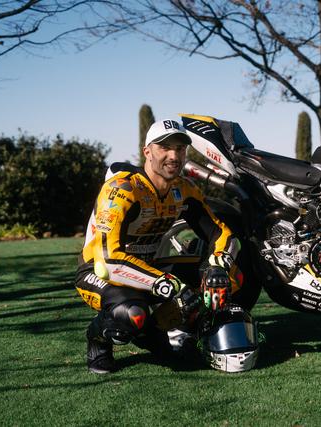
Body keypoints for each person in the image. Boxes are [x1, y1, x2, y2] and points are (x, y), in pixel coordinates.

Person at [75, 119, 239, 374]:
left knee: (229, 278)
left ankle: (161, 331)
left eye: (180, 148)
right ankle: (98, 339)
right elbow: (109, 261)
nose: (174, 156)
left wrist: (218, 265)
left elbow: (222, 233)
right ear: (147, 152)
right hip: (99, 272)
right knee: (132, 315)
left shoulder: (184, 189)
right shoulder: (122, 189)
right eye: (164, 147)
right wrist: (170, 285)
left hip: (149, 266)